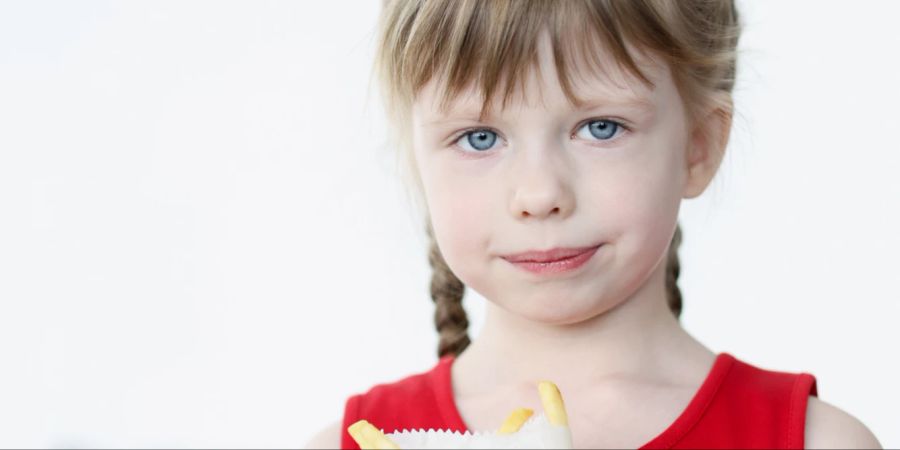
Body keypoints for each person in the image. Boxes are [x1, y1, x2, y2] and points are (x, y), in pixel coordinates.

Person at [306, 0, 882, 448]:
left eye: (600, 128)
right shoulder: (351, 444)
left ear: (698, 147)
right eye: (479, 137)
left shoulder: (814, 442)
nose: (540, 195)